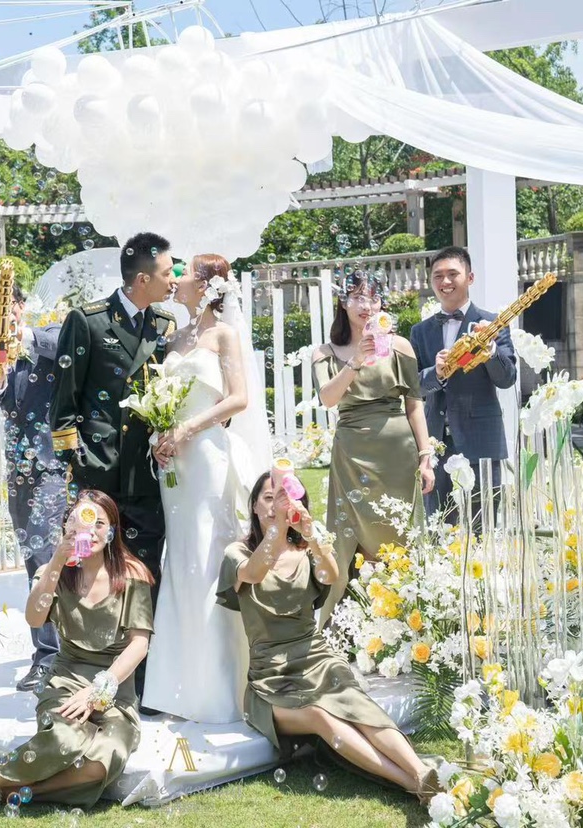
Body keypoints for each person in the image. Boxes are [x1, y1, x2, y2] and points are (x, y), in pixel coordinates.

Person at [217, 472, 442, 805]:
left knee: (357, 706)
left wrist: (310, 534)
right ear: (253, 506)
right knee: (321, 715)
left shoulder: (306, 551)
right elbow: (254, 572)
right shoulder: (238, 553)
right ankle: (413, 783)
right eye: (268, 498)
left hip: (317, 659)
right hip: (270, 679)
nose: (275, 505)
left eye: (283, 499)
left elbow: (331, 575)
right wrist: (279, 527)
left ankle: (420, 773)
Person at [0, 490, 154, 817]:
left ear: (112, 531)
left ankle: (14, 791)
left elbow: (139, 644)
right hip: (65, 681)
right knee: (66, 740)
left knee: (102, 761)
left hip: (114, 689)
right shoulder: (54, 573)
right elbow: (34, 619)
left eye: (100, 523)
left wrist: (99, 689)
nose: (91, 531)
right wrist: (57, 560)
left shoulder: (132, 574)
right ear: (67, 526)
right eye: (82, 522)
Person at [142, 254, 271, 723]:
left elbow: (239, 398)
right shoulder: (172, 338)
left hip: (208, 456)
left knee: (206, 555)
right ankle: (178, 687)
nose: (175, 279)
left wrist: (189, 428)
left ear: (207, 285)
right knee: (180, 559)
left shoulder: (224, 335)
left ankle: (220, 686)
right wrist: (159, 435)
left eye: (185, 273)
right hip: (174, 461)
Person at [50, 232, 177, 699]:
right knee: (89, 573)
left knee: (143, 572)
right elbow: (63, 404)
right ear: (142, 278)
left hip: (145, 474)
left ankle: (136, 683)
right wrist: (78, 464)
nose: (173, 280)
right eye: (167, 272)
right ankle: (83, 666)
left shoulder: (164, 325)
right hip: (97, 476)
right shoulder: (87, 321)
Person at [311, 272, 435, 624]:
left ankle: (409, 619)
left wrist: (425, 457)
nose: (366, 305)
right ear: (342, 302)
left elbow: (414, 405)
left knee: (400, 531)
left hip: (398, 455)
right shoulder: (325, 352)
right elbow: (328, 399)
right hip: (351, 455)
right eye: (357, 297)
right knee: (347, 537)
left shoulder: (400, 346)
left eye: (373, 298)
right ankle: (346, 624)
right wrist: (356, 360)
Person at [0, 281, 66, 693]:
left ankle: (61, 655)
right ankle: (47, 654)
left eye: (6, 304)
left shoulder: (48, 334)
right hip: (20, 471)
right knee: (35, 561)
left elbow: (63, 347)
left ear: (22, 306)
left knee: (53, 554)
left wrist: (22, 336)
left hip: (58, 465)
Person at [409, 246, 517, 520]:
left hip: (481, 442)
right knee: (439, 526)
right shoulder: (420, 331)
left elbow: (507, 379)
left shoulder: (492, 324)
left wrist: (490, 352)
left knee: (484, 527)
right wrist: (436, 373)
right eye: (438, 276)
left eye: (452, 274)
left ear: (470, 278)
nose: (445, 281)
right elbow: (412, 387)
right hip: (435, 444)